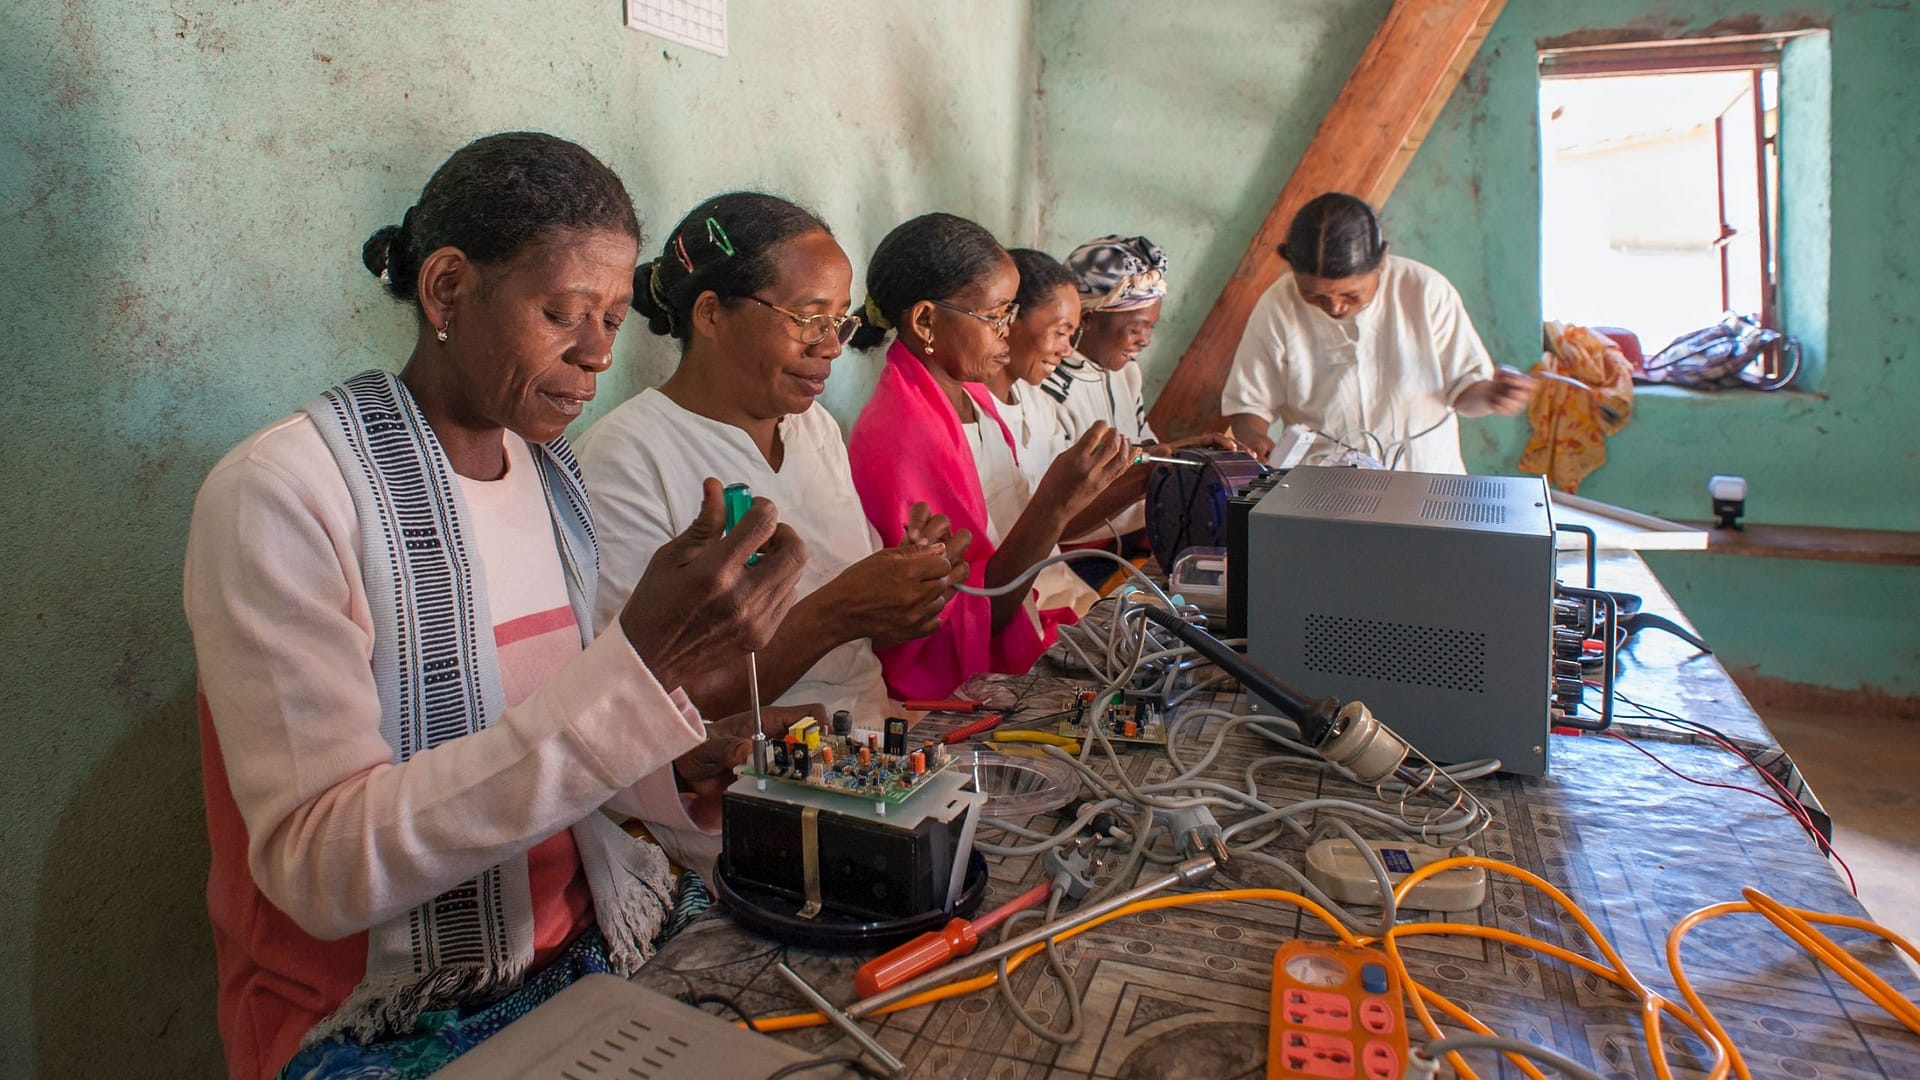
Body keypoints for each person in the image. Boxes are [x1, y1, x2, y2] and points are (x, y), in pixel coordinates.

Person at [183, 133, 810, 1080]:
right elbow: (319, 869)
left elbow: (551, 744)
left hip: (590, 937)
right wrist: (638, 664)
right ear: (446, 290)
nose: (598, 353)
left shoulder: (549, 474)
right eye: (562, 312)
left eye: (611, 316)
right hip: (382, 1008)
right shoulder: (286, 492)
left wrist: (672, 763)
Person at [574, 192, 966, 727]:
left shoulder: (814, 428)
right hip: (739, 784)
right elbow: (640, 703)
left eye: (840, 321)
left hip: (868, 743)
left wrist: (905, 585)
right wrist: (838, 613)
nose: (830, 346)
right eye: (808, 318)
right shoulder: (626, 456)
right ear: (711, 313)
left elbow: (849, 615)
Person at [846, 213, 1134, 700]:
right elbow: (971, 613)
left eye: (1011, 312)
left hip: (1029, 617)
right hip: (946, 680)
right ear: (925, 321)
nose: (1008, 330)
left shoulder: (974, 399)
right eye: (996, 314)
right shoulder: (904, 434)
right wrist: (1055, 503)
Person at [1221, 192, 1534, 473]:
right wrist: (1256, 440)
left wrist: (1492, 395)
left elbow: (1464, 393)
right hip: (1325, 487)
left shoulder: (1425, 291)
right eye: (1315, 296)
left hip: (1425, 480)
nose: (1335, 307)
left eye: (1351, 295)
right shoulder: (1278, 304)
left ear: (1382, 261)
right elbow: (1249, 403)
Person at [1043, 235, 1168, 451]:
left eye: (1151, 328)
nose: (1145, 341)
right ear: (1086, 319)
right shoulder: (1049, 386)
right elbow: (1066, 479)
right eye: (1135, 329)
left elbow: (1146, 448)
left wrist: (1187, 451)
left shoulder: (1127, 374)